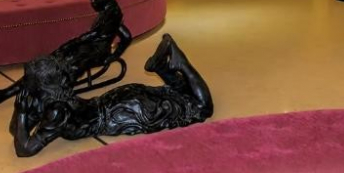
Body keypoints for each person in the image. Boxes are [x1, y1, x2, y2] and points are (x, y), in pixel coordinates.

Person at [11, 34, 214, 157]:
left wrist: (20, 112)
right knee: (177, 96)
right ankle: (163, 67)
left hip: (121, 112)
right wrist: (22, 113)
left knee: (201, 108)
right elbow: (16, 131)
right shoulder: (51, 98)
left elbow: (24, 149)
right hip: (116, 101)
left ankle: (180, 62)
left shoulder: (57, 111)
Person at [0, 0, 132, 104]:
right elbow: (125, 35)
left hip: (94, 53)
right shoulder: (110, 10)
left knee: (64, 65)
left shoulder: (112, 13)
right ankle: (6, 93)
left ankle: (57, 92)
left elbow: (94, 35)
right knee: (49, 62)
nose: (92, 1)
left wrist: (112, 56)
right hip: (88, 48)